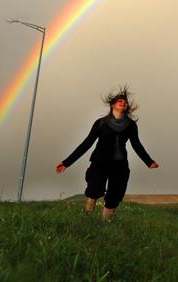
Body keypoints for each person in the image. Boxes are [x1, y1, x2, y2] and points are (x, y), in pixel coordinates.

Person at [55, 88, 159, 220]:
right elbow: (87, 143)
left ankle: (106, 223)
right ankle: (87, 215)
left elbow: (136, 145)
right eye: (119, 101)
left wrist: (149, 161)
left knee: (114, 194)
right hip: (99, 162)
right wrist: (66, 163)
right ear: (112, 105)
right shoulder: (101, 123)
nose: (123, 103)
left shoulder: (131, 125)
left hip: (120, 165)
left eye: (125, 102)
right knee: (94, 188)